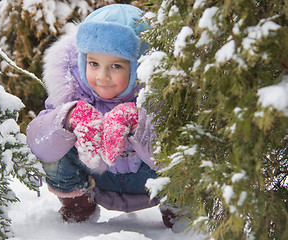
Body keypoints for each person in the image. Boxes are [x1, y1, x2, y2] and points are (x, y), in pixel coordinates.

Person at [26, 4, 177, 228]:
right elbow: (38, 144)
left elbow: (174, 150)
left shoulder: (159, 94)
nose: (101, 76)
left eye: (116, 66)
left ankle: (179, 213)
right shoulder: (71, 90)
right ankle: (78, 207)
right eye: (93, 63)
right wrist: (68, 119)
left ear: (139, 66)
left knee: (185, 158)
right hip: (97, 179)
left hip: (149, 180)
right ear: (81, 60)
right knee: (55, 144)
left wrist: (137, 122)